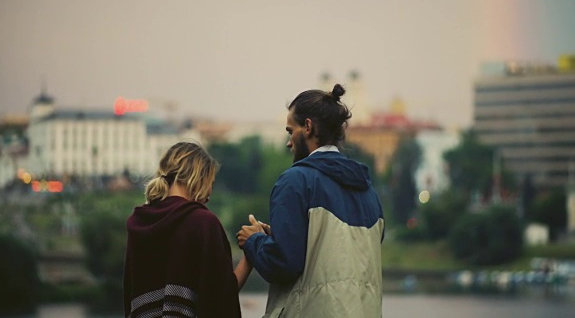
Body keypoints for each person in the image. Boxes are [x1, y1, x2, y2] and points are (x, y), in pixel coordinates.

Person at [237, 83, 385, 317]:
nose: (288, 142)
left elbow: (283, 264)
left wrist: (254, 241)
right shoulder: (368, 190)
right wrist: (279, 236)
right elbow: (338, 253)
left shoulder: (295, 181)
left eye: (289, 131)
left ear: (307, 127)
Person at [124, 142, 252, 318]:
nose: (209, 195)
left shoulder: (138, 223)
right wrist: (250, 255)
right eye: (210, 183)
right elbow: (221, 298)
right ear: (198, 177)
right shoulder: (203, 223)